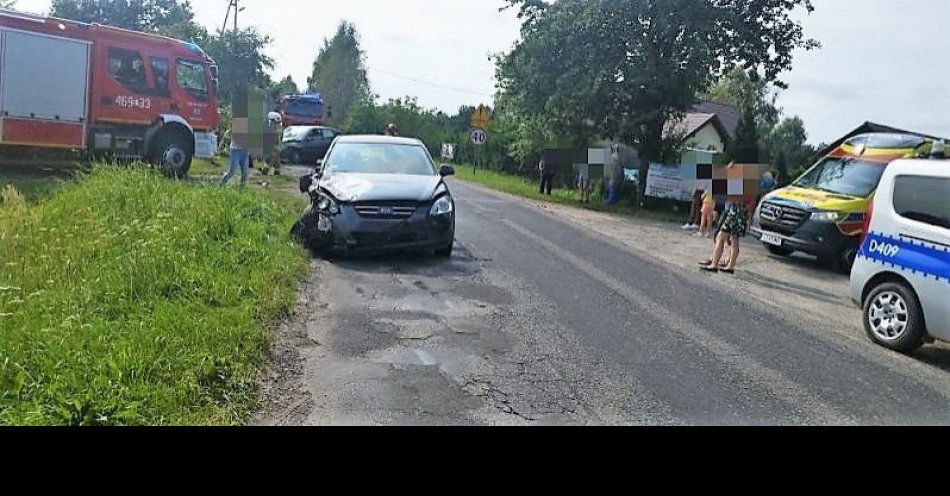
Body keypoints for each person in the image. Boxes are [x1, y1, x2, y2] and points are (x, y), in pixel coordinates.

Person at [700, 196, 749, 273]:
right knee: (734, 240)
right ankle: (729, 266)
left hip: (735, 211)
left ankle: (715, 264)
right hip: (740, 212)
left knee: (721, 237)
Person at [221, 117, 250, 187]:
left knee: (245, 173)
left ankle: (241, 189)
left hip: (245, 152)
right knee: (231, 172)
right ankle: (221, 184)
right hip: (235, 152)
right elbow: (227, 135)